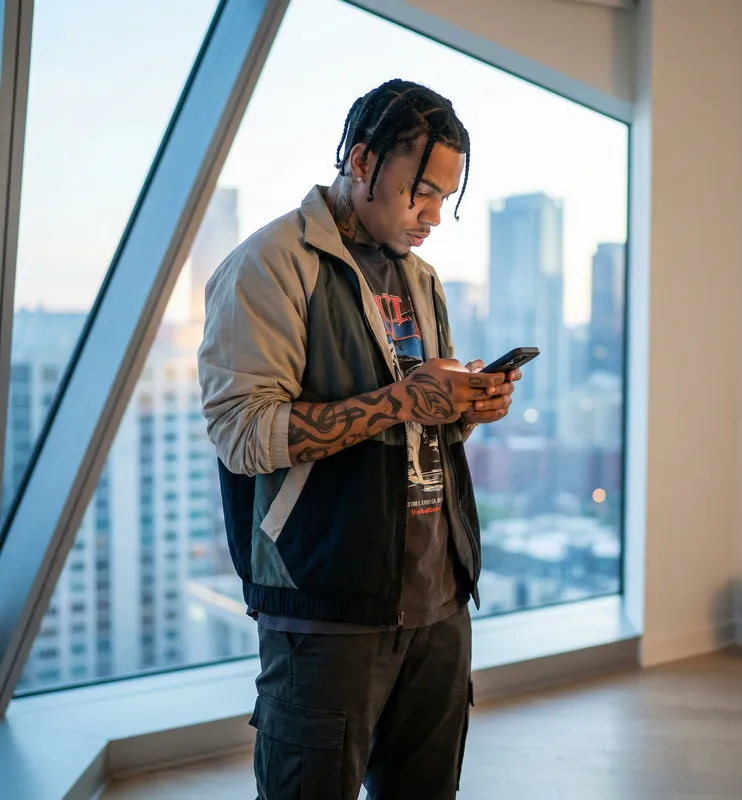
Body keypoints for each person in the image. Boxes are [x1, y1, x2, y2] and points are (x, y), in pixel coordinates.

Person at [198, 78, 521, 800]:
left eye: (447, 197)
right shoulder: (270, 266)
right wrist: (405, 398)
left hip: (439, 600)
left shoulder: (423, 277)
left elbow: (416, 422)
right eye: (423, 191)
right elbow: (243, 436)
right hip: (327, 606)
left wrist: (466, 405)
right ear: (363, 159)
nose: (435, 215)